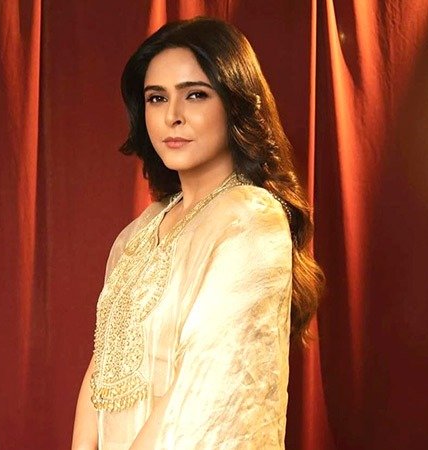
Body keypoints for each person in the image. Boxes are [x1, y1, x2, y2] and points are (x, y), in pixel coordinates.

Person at [72, 17, 324, 450]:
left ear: (235, 103)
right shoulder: (137, 233)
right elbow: (104, 363)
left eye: (195, 95)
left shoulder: (250, 218)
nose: (172, 116)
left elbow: (203, 385)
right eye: (156, 98)